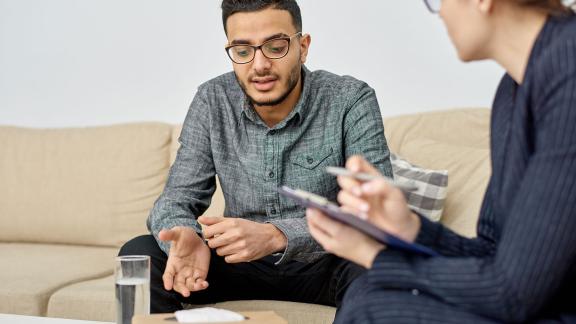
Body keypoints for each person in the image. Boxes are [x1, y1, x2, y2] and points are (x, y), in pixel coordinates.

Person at [306, 0, 576, 322]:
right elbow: (492, 252)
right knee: (367, 291)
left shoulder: (567, 73)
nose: (440, 12)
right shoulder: (511, 91)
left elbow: (513, 293)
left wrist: (372, 254)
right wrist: (410, 227)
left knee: (375, 308)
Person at [119, 0, 393, 313]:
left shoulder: (350, 99)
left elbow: (375, 214)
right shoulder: (213, 100)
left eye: (275, 47)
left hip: (325, 263)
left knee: (381, 264)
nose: (259, 65)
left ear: (302, 47)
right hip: (238, 265)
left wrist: (278, 235)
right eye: (243, 50)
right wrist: (186, 235)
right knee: (139, 252)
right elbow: (173, 201)